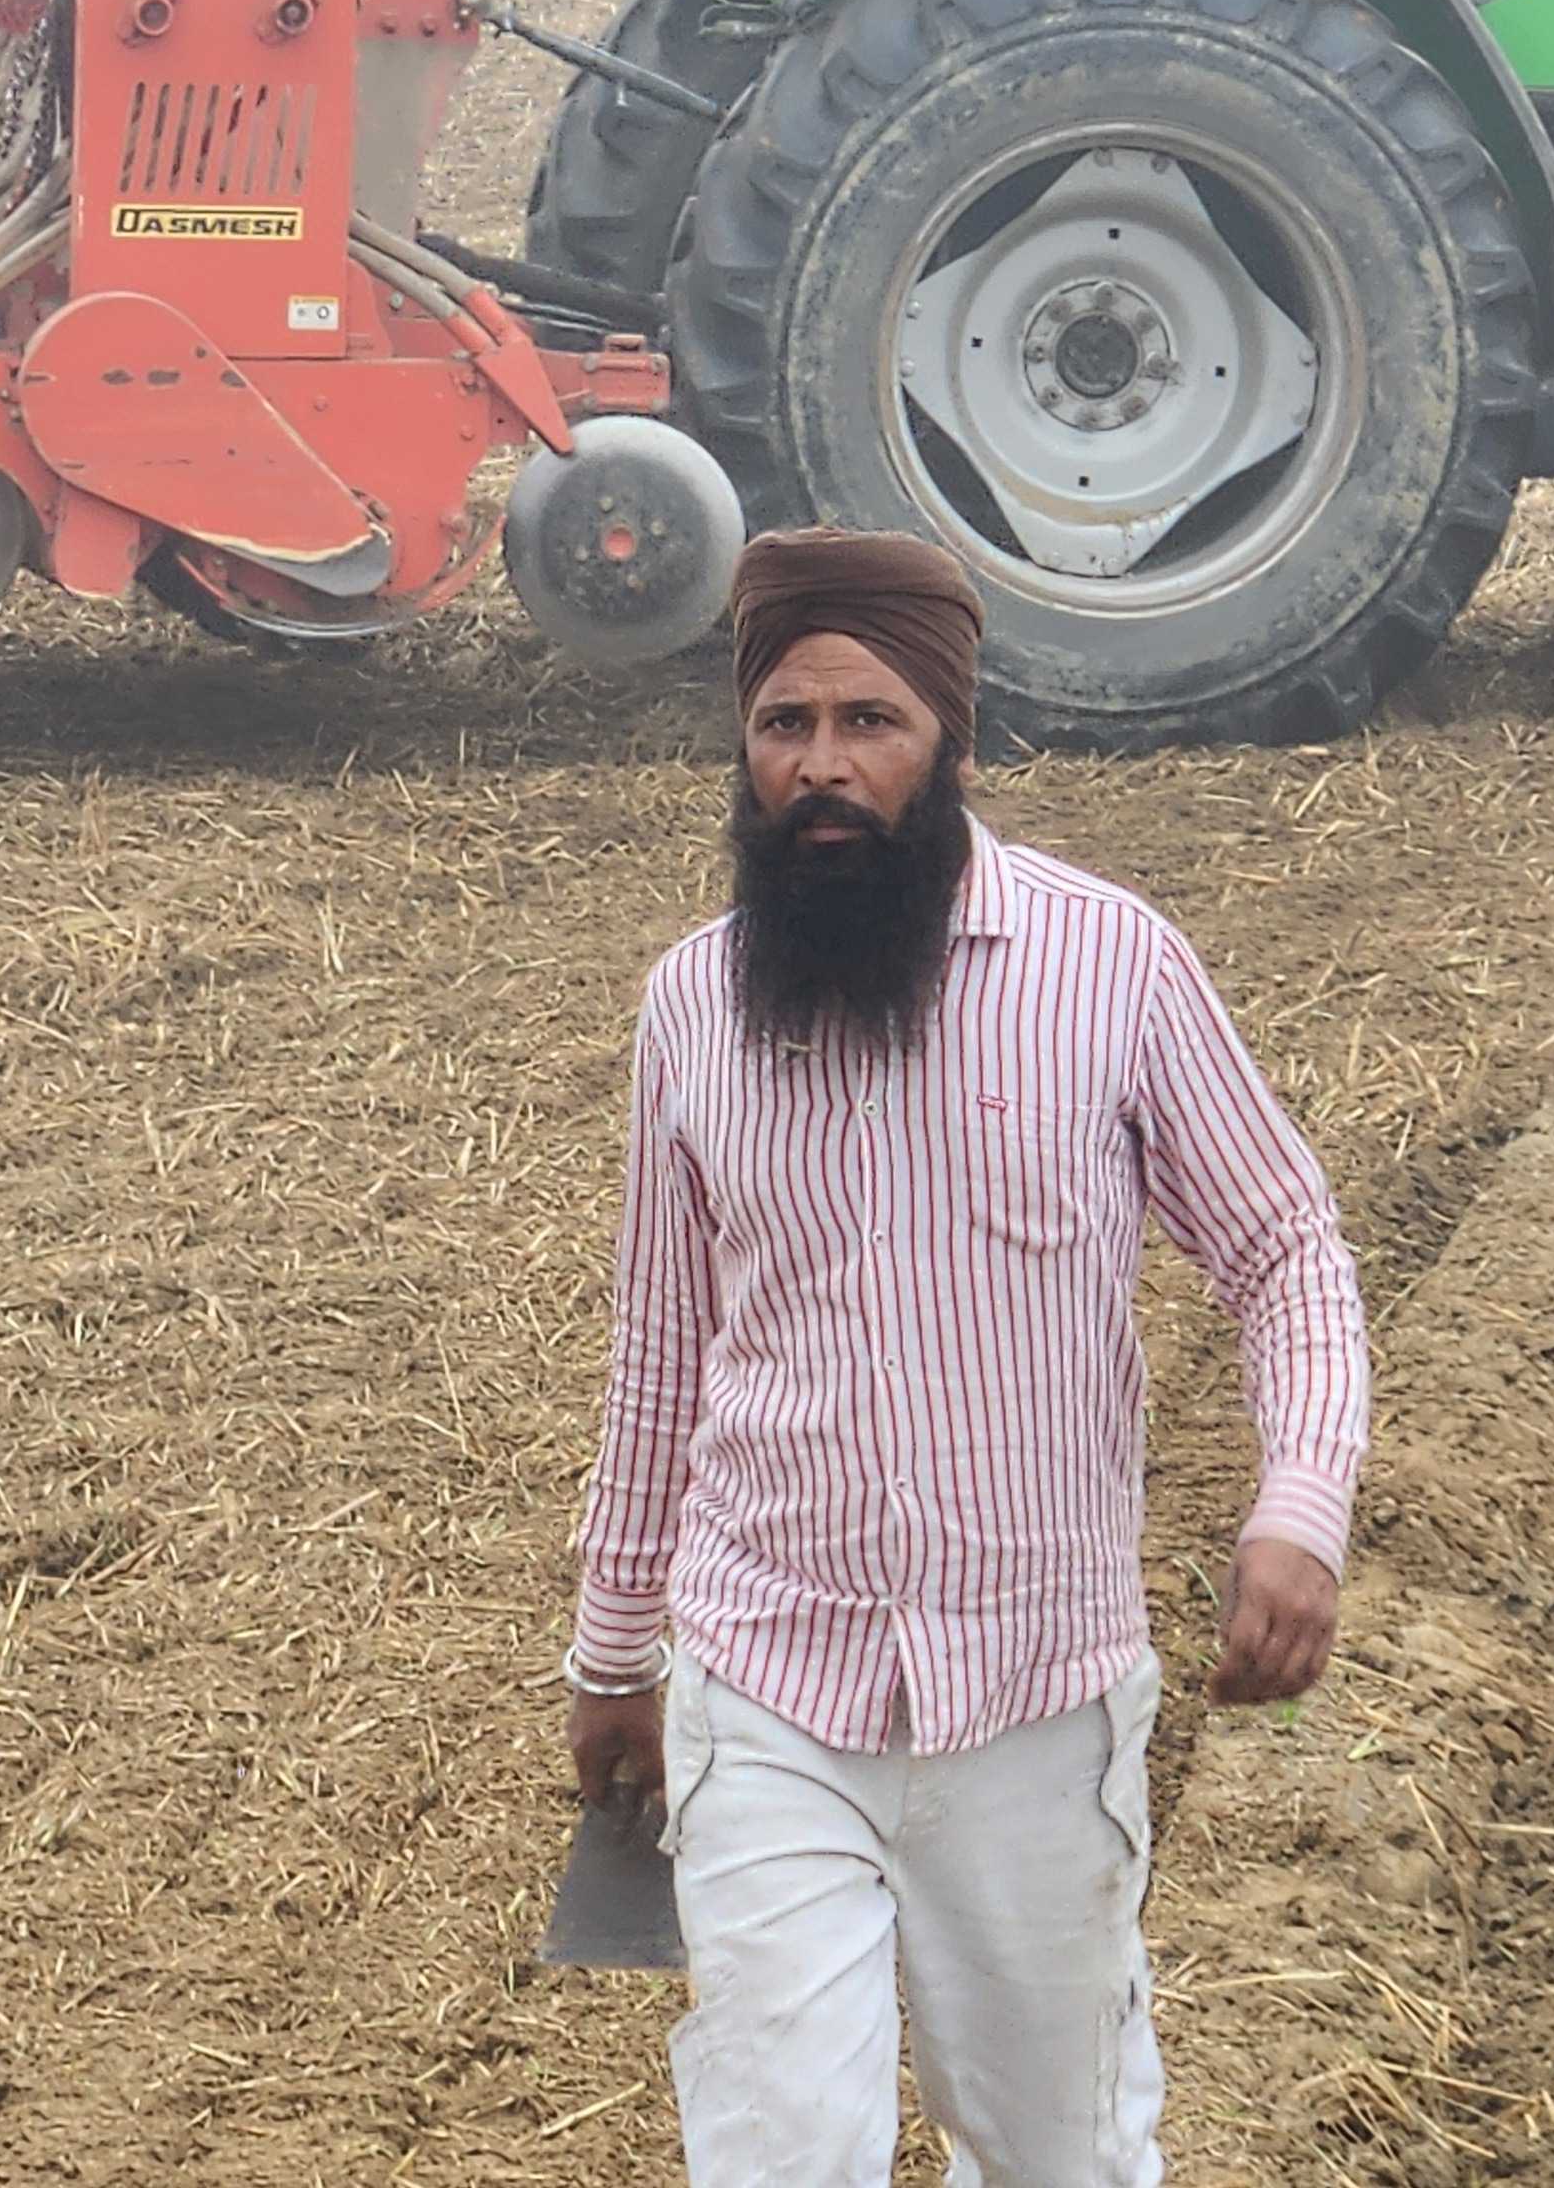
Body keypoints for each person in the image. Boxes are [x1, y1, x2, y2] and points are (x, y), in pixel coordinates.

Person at [562, 525, 1373, 2188]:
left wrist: (1300, 1508)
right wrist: (613, 1651)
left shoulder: (1113, 966)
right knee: (786, 2154)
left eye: (871, 722)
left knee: (1059, 2159)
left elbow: (1286, 1249)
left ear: (953, 742)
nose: (823, 767)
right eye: (785, 724)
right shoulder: (690, 1008)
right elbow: (661, 1357)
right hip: (769, 1687)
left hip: (1034, 1698)